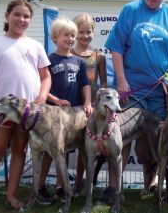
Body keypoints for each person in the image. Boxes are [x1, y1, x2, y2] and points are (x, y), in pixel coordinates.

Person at [104, 0, 168, 199]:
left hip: (160, 92)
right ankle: (115, 187)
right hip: (130, 90)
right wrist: (121, 81)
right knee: (120, 138)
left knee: (157, 139)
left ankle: (151, 184)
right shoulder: (130, 10)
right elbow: (116, 47)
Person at [0, 0, 51, 212]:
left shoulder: (35, 46)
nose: (22, 19)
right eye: (17, 14)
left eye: (26, 16)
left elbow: (46, 77)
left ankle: (11, 195)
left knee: (19, 149)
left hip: (28, 113)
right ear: (7, 17)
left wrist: (42, 98)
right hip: (3, 111)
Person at [36, 17, 93, 204]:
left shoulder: (79, 62)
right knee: (48, 152)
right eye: (65, 35)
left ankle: (61, 187)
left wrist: (88, 102)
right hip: (52, 115)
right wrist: (55, 100)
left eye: (72, 35)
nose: (70, 39)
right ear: (54, 37)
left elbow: (85, 85)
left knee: (65, 152)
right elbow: (42, 85)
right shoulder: (48, 60)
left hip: (73, 115)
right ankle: (40, 186)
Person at [71, 13, 107, 194]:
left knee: (86, 148)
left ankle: (83, 182)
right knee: (70, 146)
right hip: (71, 107)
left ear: (94, 31)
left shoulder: (99, 56)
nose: (85, 35)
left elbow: (104, 85)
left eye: (89, 31)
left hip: (90, 109)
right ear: (75, 33)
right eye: (81, 32)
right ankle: (64, 184)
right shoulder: (68, 53)